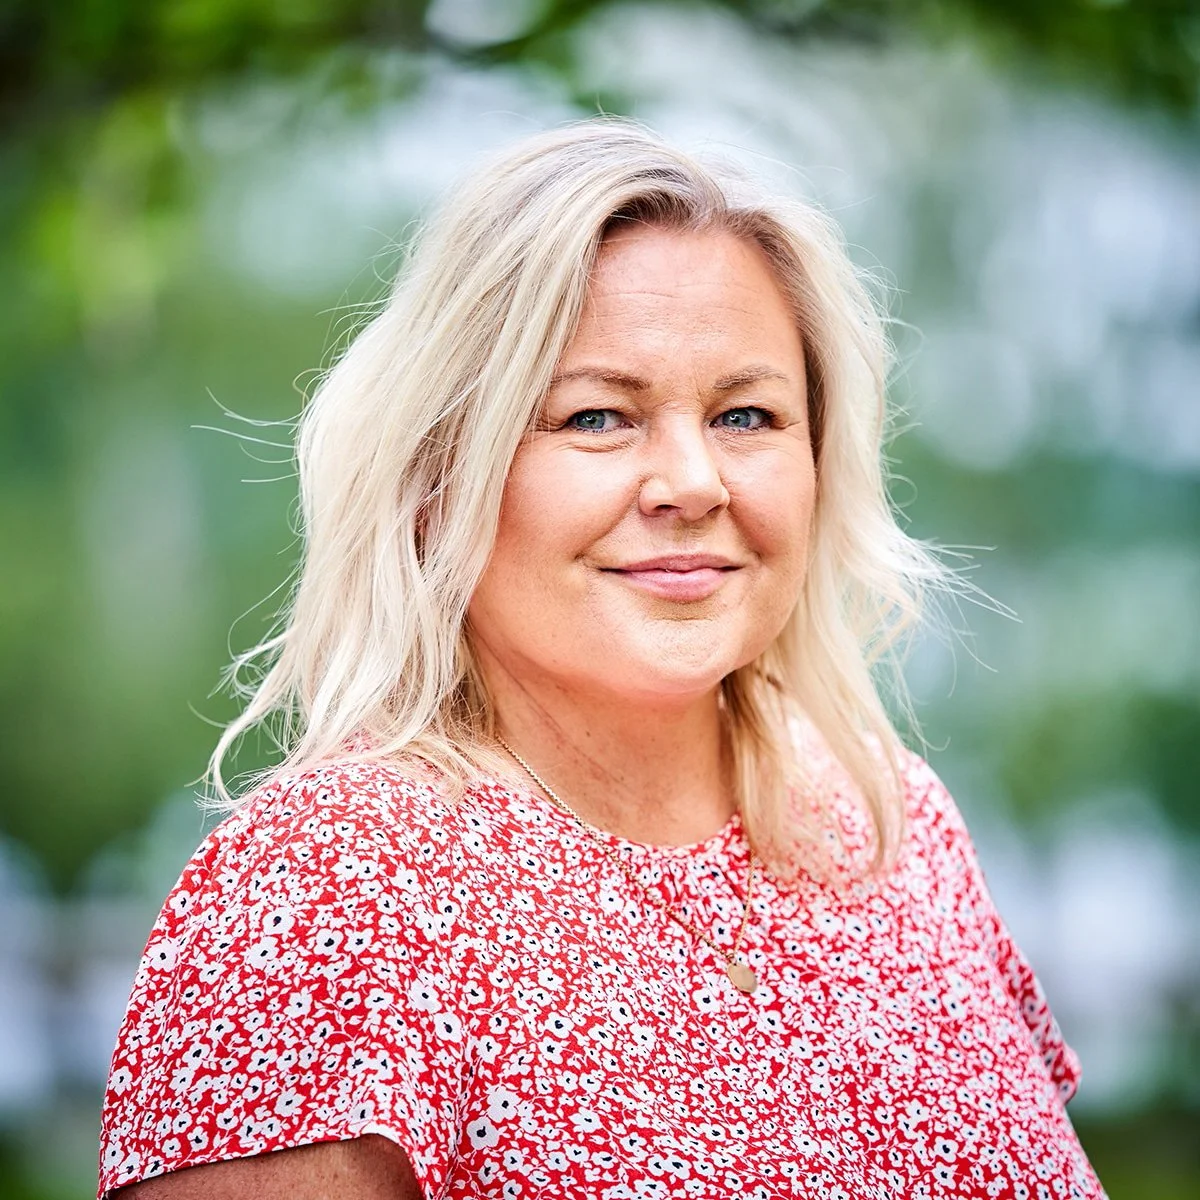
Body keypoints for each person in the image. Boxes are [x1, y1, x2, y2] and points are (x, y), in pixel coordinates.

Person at [98, 119, 1105, 1199]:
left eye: (748, 414)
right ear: (442, 474)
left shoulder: (891, 826)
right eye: (598, 416)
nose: (693, 481)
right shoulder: (331, 894)